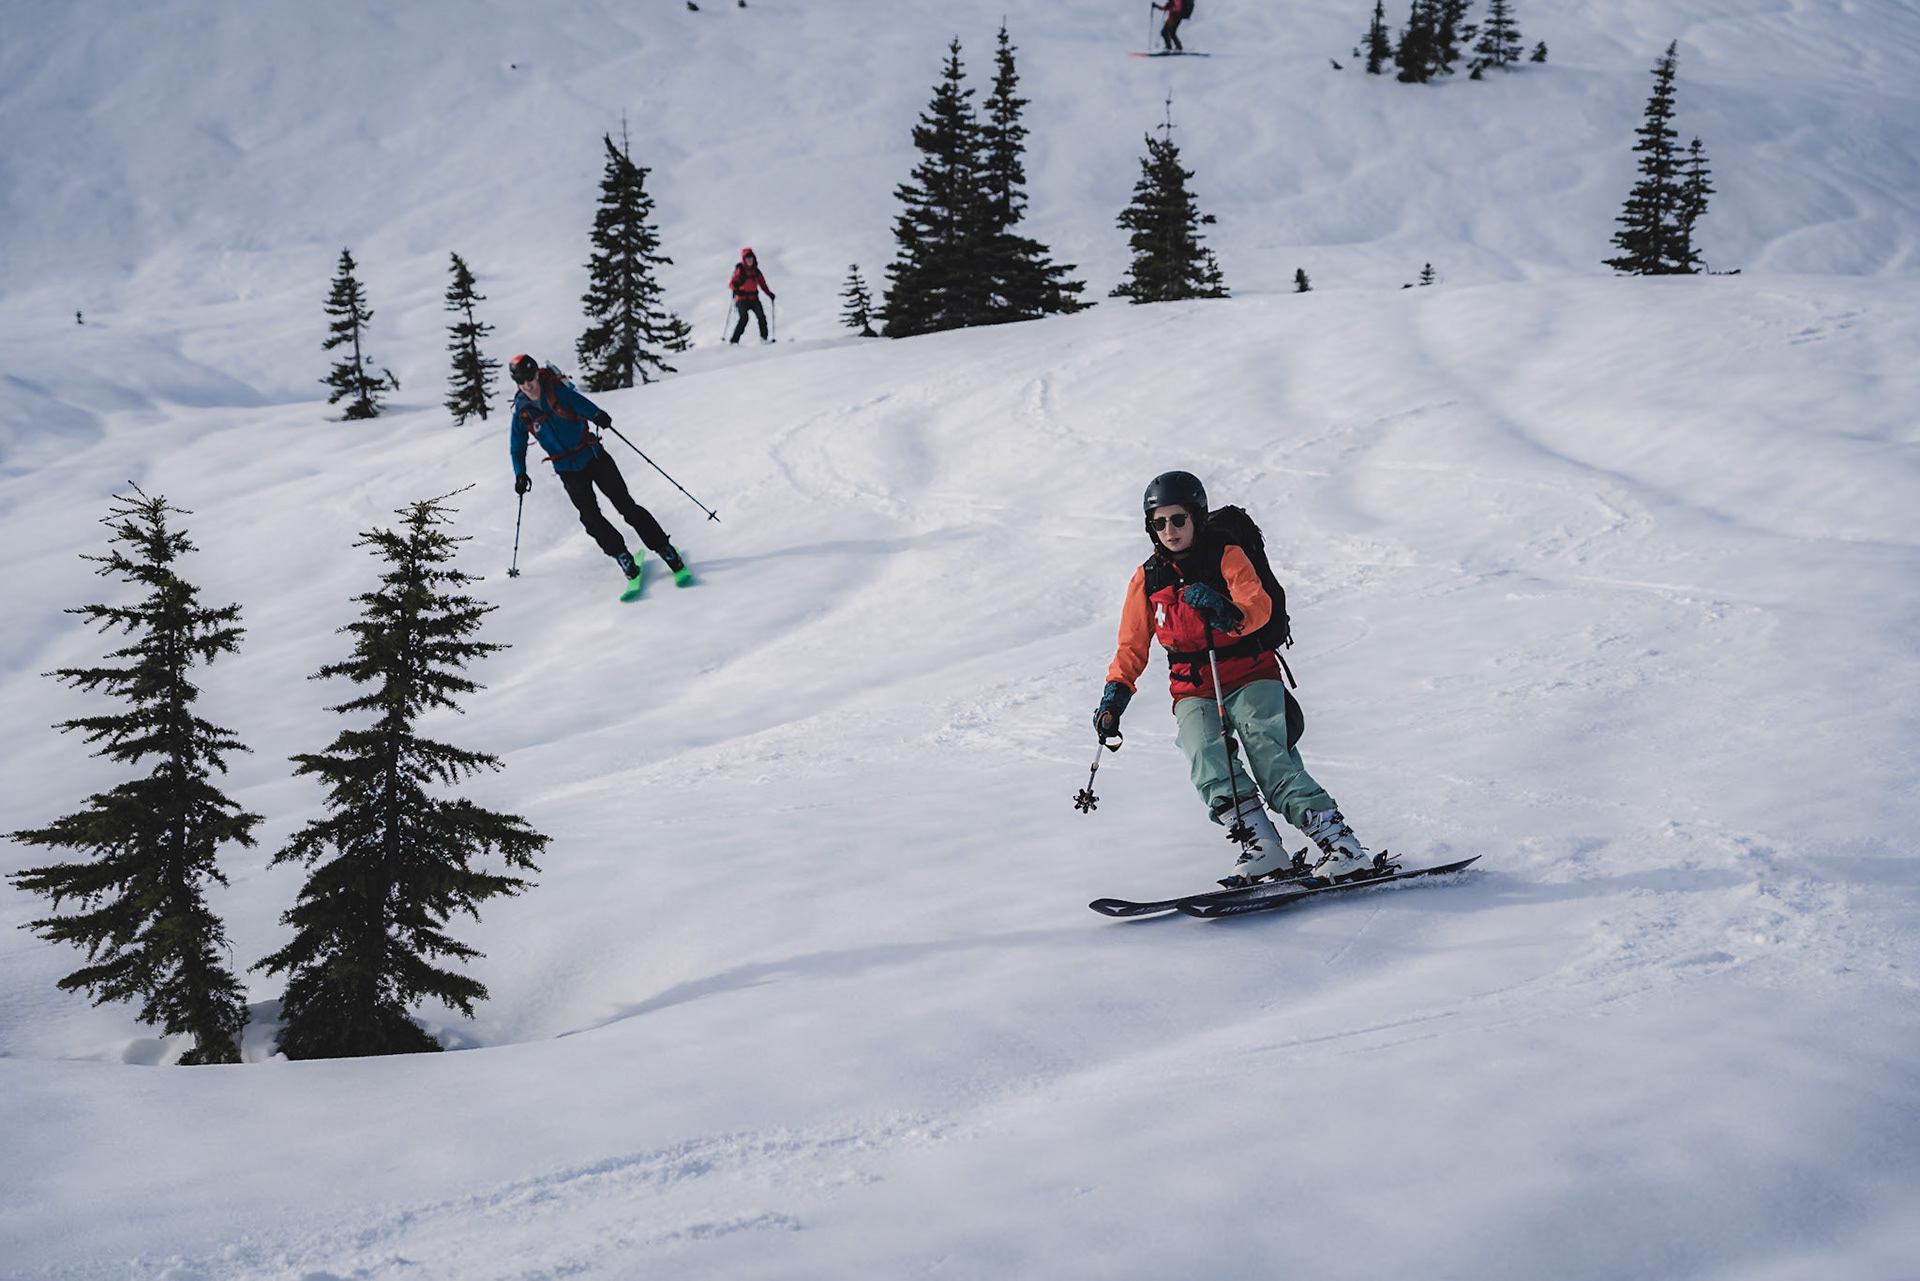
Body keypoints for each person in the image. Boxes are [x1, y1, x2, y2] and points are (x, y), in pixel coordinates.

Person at [1094, 470, 1374, 884]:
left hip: (1250, 674)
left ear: (1197, 517)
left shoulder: (1226, 555)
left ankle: (1342, 846)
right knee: (1206, 760)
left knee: (1270, 759)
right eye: (1159, 522)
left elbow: (1257, 604)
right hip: (1192, 688)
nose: (1169, 530)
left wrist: (1227, 612)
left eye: (1178, 519)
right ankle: (1262, 846)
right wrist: (1114, 697)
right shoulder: (1147, 578)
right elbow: (1131, 646)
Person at [506, 354, 690, 592]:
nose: (527, 385)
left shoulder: (558, 394)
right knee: (591, 518)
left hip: (593, 456)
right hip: (567, 470)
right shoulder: (522, 413)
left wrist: (598, 415)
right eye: (521, 381)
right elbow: (517, 447)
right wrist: (520, 473)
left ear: (536, 375)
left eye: (529, 378)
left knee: (626, 506)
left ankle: (664, 548)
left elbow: (583, 405)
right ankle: (622, 555)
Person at [728, 248, 775, 344]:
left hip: (754, 299)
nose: (749, 260)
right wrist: (736, 289)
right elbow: (731, 284)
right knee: (744, 318)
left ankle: (764, 339)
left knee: (761, 316)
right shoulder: (740, 271)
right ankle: (734, 341)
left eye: (751, 258)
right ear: (744, 259)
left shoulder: (756, 272)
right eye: (747, 258)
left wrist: (769, 294)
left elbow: (763, 284)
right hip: (741, 299)